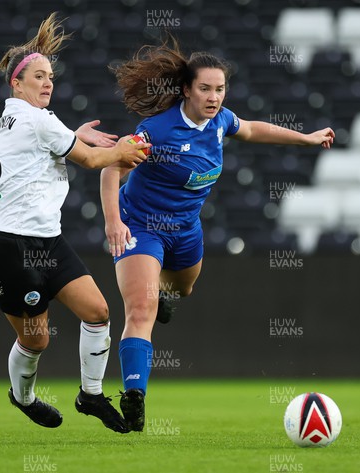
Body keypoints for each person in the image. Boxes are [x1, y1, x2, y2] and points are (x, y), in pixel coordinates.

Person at [100, 38, 335, 432]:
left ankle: (163, 294)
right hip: (140, 225)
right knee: (141, 310)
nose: (213, 97)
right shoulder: (155, 130)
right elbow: (110, 168)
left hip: (186, 229)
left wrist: (306, 138)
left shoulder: (221, 120)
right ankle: (134, 395)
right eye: (205, 88)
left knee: (182, 290)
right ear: (187, 90)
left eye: (220, 89)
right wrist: (113, 222)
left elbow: (253, 129)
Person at [0, 13, 149, 433]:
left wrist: (71, 133)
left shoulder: (18, 117)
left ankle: (90, 395)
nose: (47, 83)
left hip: (47, 242)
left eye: (50, 76)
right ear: (16, 83)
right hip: (12, 247)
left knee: (98, 311)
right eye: (38, 76)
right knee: (37, 340)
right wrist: (124, 150)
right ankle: (23, 396)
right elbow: (91, 160)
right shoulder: (37, 119)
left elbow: (39, 148)